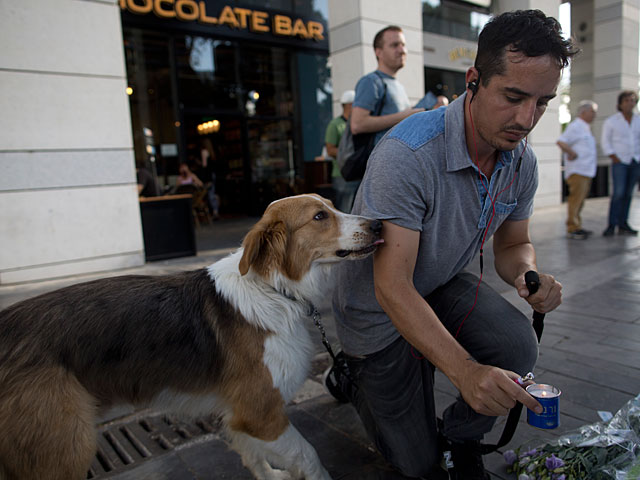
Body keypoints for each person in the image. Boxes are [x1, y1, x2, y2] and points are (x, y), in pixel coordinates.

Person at [328, 10, 573, 480]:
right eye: (514, 97)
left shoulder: (519, 161)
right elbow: (392, 287)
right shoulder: (408, 154)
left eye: (543, 103)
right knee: (416, 466)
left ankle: (461, 434)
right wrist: (464, 372)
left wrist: (527, 274)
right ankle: (348, 373)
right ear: (474, 80)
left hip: (437, 281)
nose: (526, 120)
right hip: (377, 309)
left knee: (516, 345)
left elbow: (513, 243)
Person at [349, 25, 424, 145]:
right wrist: (404, 116)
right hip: (378, 161)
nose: (402, 50)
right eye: (395, 45)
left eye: (403, 45)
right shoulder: (371, 81)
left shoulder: (398, 86)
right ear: (378, 52)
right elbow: (357, 125)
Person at [556, 100, 598, 239]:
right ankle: (572, 227)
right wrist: (571, 153)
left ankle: (577, 225)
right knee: (575, 199)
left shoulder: (585, 127)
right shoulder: (575, 127)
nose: (594, 114)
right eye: (592, 111)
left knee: (580, 200)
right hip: (578, 170)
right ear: (583, 112)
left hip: (586, 170)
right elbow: (561, 141)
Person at [601, 90, 640, 236]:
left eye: (633, 100)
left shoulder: (638, 120)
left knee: (629, 194)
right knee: (618, 193)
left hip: (635, 161)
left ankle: (623, 224)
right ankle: (612, 225)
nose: (630, 103)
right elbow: (606, 142)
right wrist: (614, 157)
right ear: (620, 103)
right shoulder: (611, 121)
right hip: (620, 162)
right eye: (627, 100)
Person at [325, 90, 360, 212]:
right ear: (350, 105)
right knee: (345, 211)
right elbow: (330, 150)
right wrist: (350, 156)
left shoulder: (358, 124)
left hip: (359, 175)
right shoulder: (335, 124)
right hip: (342, 176)